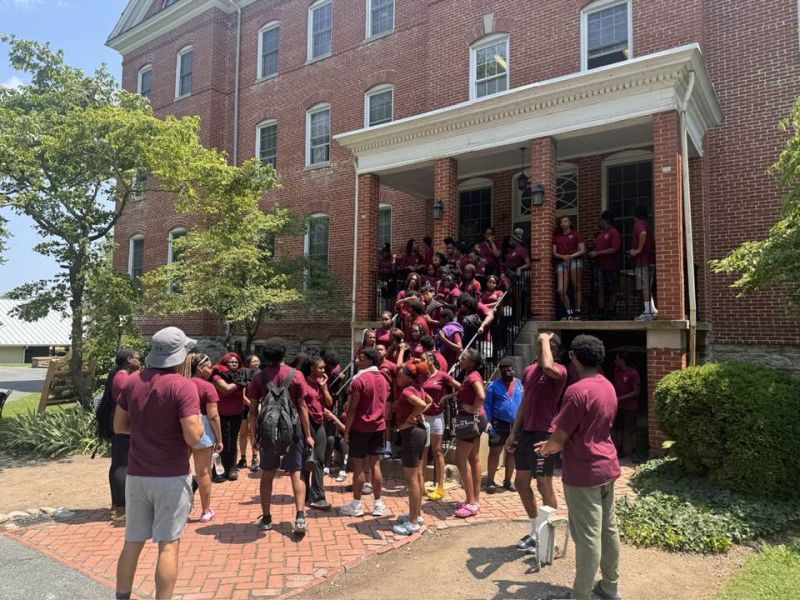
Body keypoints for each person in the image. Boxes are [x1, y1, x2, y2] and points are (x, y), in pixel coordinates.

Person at [114, 327, 203, 600]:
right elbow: (194, 435)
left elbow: (119, 425)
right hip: (170, 475)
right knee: (168, 545)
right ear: (179, 355)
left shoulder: (132, 382)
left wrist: (146, 430)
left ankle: (122, 596)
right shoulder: (183, 386)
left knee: (133, 542)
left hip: (138, 474)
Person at [534, 335, 621, 600]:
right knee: (608, 530)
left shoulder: (577, 390)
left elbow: (559, 439)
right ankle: (610, 587)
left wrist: (544, 447)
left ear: (574, 357)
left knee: (587, 538)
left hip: (583, 472)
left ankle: (580, 595)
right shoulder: (607, 385)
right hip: (607, 466)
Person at [247, 338, 315, 535]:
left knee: (267, 474)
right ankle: (300, 516)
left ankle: (267, 517)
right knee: (296, 472)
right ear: (284, 354)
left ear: (265, 356)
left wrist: (254, 437)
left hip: (268, 432)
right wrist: (308, 435)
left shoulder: (258, 378)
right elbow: (302, 407)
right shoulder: (296, 375)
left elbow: (253, 410)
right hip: (292, 430)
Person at [507, 332, 567, 552]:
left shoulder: (559, 371)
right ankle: (536, 530)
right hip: (527, 432)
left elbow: (549, 367)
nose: (539, 347)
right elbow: (525, 402)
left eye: (545, 346)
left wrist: (544, 339)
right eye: (539, 344)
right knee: (521, 483)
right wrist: (514, 431)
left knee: (543, 484)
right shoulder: (530, 370)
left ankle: (549, 536)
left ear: (554, 350)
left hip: (545, 433)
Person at [340, 348, 390, 518]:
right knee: (375, 465)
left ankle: (356, 504)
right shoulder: (384, 380)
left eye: (360, 358)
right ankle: (378, 504)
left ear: (370, 360)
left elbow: (352, 409)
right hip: (378, 427)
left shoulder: (359, 380)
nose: (357, 361)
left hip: (360, 428)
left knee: (358, 466)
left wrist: (346, 431)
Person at [97, 348, 142, 523]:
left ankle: (117, 505)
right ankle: (121, 508)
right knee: (121, 465)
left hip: (119, 423)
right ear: (130, 360)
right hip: (122, 424)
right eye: (139, 358)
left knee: (119, 463)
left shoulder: (120, 375)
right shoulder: (123, 378)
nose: (141, 361)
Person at [391, 361, 433, 536]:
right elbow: (429, 401)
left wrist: (412, 415)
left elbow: (423, 405)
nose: (397, 377)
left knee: (411, 479)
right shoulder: (418, 388)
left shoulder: (408, 390)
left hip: (411, 435)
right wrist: (417, 414)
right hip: (420, 433)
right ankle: (417, 515)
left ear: (408, 377)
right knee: (417, 476)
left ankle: (413, 523)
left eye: (400, 375)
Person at [447, 348, 486, 518]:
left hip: (470, 421)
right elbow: (466, 392)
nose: (460, 359)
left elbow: (481, 395)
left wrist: (472, 408)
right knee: (473, 458)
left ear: (471, 362)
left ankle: (471, 502)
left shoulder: (473, 376)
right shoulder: (469, 375)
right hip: (478, 419)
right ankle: (475, 499)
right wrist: (449, 396)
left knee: (460, 459)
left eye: (463, 358)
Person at [187, 353, 223, 523]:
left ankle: (181, 508)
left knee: (180, 470)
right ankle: (205, 510)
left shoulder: (183, 383)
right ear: (200, 368)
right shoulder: (207, 387)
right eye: (208, 366)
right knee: (203, 472)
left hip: (182, 427)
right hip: (202, 428)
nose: (211, 369)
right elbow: (213, 415)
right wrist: (219, 438)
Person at [420, 351, 460, 501]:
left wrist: (446, 397)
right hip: (423, 416)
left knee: (437, 451)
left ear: (431, 361)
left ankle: (440, 486)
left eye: (423, 359)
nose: (420, 362)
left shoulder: (442, 375)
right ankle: (421, 484)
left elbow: (460, 388)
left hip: (436, 416)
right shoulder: (421, 377)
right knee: (423, 452)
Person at [484, 358, 523, 494]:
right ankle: (490, 480)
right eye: (505, 370)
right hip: (498, 423)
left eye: (510, 369)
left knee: (511, 452)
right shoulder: (493, 386)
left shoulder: (520, 385)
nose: (509, 372)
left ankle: (507, 481)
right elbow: (487, 405)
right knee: (495, 451)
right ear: (501, 372)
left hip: (517, 424)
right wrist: (487, 421)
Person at [300, 354, 334, 511]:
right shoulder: (302, 383)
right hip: (306, 424)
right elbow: (302, 408)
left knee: (319, 459)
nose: (323, 370)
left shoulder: (320, 384)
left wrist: (324, 387)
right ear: (312, 368)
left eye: (324, 367)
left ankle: (318, 496)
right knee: (307, 460)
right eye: (320, 368)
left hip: (320, 423)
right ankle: (305, 493)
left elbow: (329, 403)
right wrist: (307, 432)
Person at [210, 352, 246, 481]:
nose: (234, 364)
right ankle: (218, 471)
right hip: (220, 413)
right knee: (221, 441)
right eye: (231, 362)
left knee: (232, 440)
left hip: (237, 412)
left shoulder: (240, 375)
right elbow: (225, 389)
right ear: (225, 363)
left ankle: (231, 468)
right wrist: (240, 382)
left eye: (236, 362)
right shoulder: (216, 375)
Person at [588, 211, 622, 319]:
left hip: (611, 265)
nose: (600, 221)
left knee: (612, 289)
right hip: (599, 266)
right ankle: (601, 310)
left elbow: (615, 248)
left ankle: (612, 311)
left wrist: (597, 253)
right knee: (600, 289)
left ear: (605, 220)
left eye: (601, 219)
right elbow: (596, 247)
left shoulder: (613, 232)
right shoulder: (600, 234)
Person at [553, 215, 586, 320]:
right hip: (561, 263)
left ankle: (577, 311)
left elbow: (582, 250)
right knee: (561, 290)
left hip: (575, 262)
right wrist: (563, 257)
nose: (563, 223)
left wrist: (570, 257)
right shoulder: (557, 237)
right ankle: (569, 312)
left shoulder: (575, 234)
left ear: (570, 223)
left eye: (565, 221)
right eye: (562, 222)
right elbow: (554, 253)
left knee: (576, 286)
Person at [630, 204, 658, 320]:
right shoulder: (647, 224)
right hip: (650, 259)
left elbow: (642, 233)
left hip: (643, 260)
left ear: (635, 215)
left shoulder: (638, 224)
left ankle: (647, 312)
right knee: (648, 286)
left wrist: (638, 250)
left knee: (644, 286)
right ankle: (652, 310)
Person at [612, 352, 640, 458]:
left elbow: (636, 391)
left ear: (622, 360)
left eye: (617, 358)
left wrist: (621, 398)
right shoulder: (616, 371)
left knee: (631, 430)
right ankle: (620, 450)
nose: (615, 361)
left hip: (630, 406)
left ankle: (634, 451)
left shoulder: (633, 373)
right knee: (619, 428)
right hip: (618, 406)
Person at [238, 354, 261, 472]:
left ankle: (255, 458)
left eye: (258, 361)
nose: (257, 363)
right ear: (248, 363)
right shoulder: (243, 373)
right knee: (243, 434)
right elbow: (242, 396)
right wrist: (252, 405)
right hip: (245, 407)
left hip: (256, 408)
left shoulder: (261, 375)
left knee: (254, 434)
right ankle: (242, 458)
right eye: (254, 361)